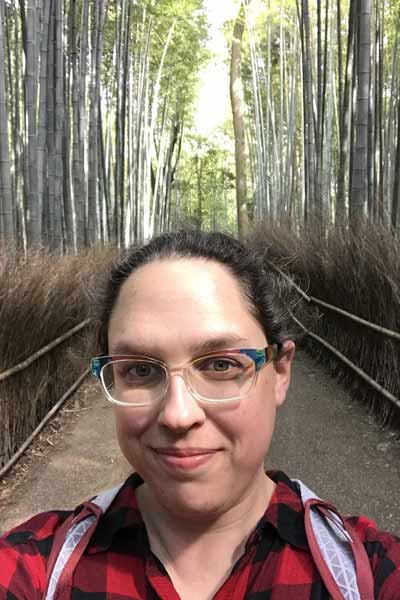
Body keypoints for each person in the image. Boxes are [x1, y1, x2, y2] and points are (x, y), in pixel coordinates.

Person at [0, 230, 399, 600]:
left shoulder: (363, 574)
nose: (178, 415)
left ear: (280, 372)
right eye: (139, 369)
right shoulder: (39, 568)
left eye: (221, 365)